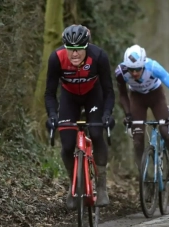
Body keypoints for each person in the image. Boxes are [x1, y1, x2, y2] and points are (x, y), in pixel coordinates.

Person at [44, 24, 115, 209]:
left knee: (97, 133)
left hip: (93, 95)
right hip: (69, 98)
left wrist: (107, 114)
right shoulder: (56, 59)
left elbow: (108, 90)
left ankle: (101, 185)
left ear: (86, 48)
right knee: (67, 145)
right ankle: (73, 185)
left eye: (79, 50)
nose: (74, 54)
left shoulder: (98, 56)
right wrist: (52, 115)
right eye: (70, 49)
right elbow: (50, 93)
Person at [115, 44, 169, 181]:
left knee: (164, 131)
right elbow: (122, 95)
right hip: (137, 99)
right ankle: (144, 178)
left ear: (143, 64)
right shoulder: (120, 72)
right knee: (138, 140)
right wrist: (128, 115)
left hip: (156, 97)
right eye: (131, 70)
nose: (134, 73)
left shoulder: (153, 67)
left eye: (138, 69)